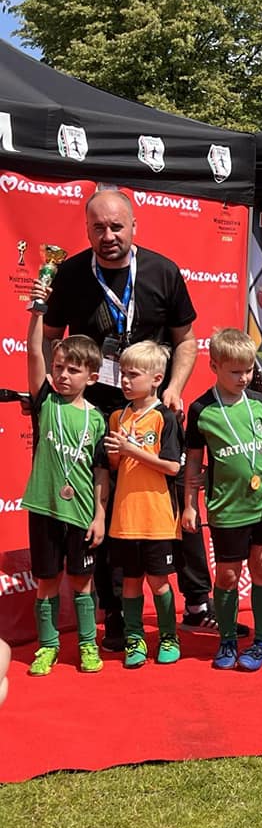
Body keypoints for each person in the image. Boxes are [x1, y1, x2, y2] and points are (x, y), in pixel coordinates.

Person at [42, 187, 221, 648]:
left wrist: (174, 388)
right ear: (87, 231)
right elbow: (50, 336)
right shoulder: (70, 274)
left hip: (154, 408)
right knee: (102, 506)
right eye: (98, 227)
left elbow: (185, 340)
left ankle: (197, 603)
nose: (108, 236)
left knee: (176, 501)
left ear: (134, 227)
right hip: (97, 411)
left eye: (117, 226)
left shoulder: (162, 271)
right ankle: (116, 613)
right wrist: (56, 388)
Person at [22, 282, 109, 675]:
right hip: (44, 506)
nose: (63, 375)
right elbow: (33, 354)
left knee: (81, 580)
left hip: (82, 511)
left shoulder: (97, 419)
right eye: (58, 367)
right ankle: (48, 646)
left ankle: (88, 645)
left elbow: (100, 471)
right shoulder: (45, 400)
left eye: (73, 370)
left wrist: (100, 515)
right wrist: (38, 314)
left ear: (92, 376)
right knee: (46, 581)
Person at [183, 328, 262, 672]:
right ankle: (226, 639)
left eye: (249, 370)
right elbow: (193, 461)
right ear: (214, 367)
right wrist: (190, 505)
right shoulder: (201, 409)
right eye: (235, 371)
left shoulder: (260, 402)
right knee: (226, 576)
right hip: (226, 508)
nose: (243, 378)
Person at [104, 341, 182, 668]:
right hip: (125, 517)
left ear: (156, 379)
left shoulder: (165, 417)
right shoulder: (117, 416)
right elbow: (114, 466)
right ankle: (134, 638)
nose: (125, 380)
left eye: (133, 375)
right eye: (123, 373)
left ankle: (168, 636)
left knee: (159, 582)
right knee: (131, 581)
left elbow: (172, 467)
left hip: (157, 517)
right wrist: (116, 453)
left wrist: (131, 449)